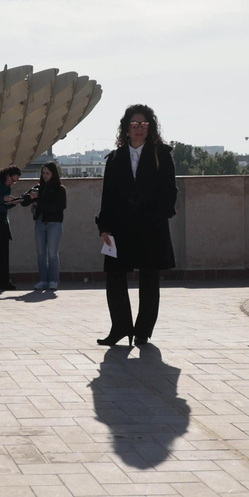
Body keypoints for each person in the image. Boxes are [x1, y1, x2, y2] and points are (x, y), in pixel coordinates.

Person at [95, 104, 178, 347]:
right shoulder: (115, 157)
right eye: (134, 124)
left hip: (151, 226)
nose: (138, 128)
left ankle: (143, 331)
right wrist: (104, 227)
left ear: (150, 127)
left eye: (143, 124)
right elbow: (107, 195)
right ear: (126, 128)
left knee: (150, 277)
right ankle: (120, 328)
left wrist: (158, 215)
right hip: (121, 226)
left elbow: (170, 192)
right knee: (115, 276)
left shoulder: (161, 154)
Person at [26, 160, 67, 290]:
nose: (45, 176)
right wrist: (30, 197)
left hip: (54, 223)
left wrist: (40, 203)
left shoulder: (60, 189)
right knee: (41, 253)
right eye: (43, 173)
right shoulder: (38, 188)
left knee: (52, 253)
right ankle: (43, 280)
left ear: (53, 174)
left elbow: (59, 207)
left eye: (47, 173)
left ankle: (54, 280)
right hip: (39, 222)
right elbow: (24, 201)